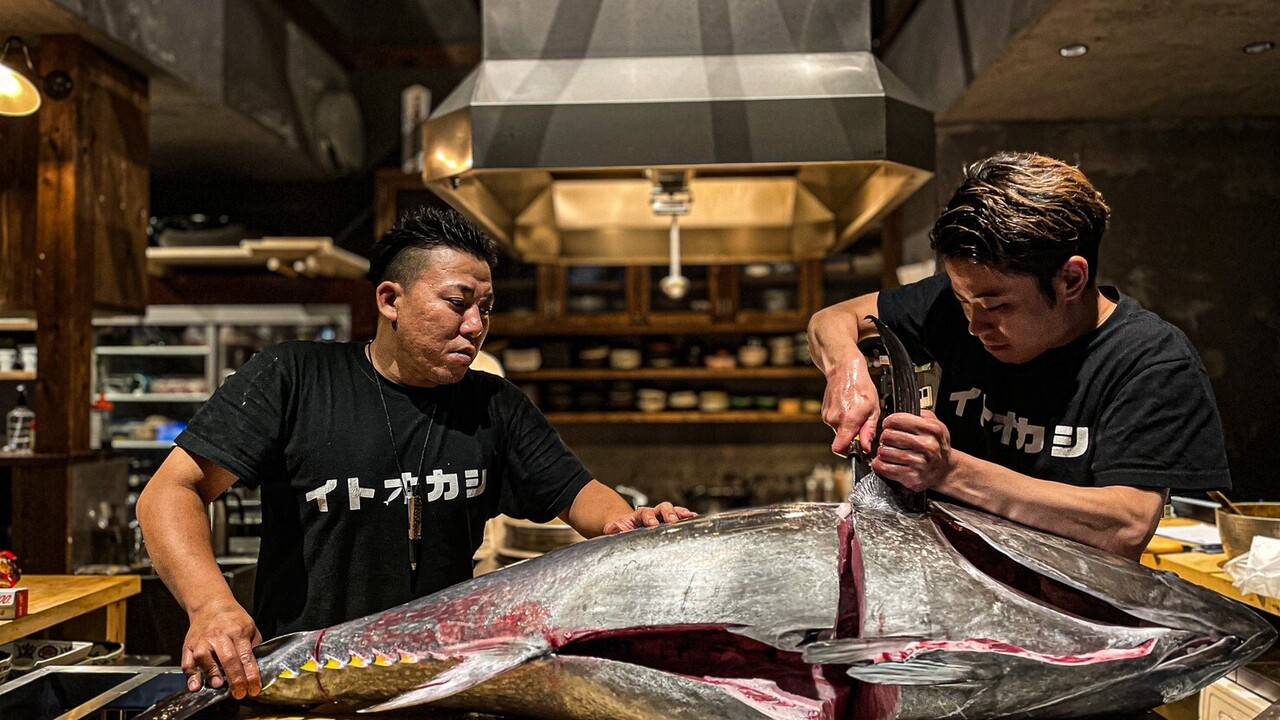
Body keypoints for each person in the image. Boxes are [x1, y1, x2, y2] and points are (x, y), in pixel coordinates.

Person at [137, 207, 695, 700]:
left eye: (485, 308)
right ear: (390, 300)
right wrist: (211, 606)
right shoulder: (295, 377)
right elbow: (170, 492)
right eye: (456, 303)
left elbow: (577, 495)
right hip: (304, 684)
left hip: (443, 683)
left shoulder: (493, 404)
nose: (475, 326)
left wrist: (630, 522)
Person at [808, 151, 1229, 560]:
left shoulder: (1151, 362)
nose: (974, 324)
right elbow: (832, 319)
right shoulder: (963, 303)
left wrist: (949, 471)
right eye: (962, 300)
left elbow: (1125, 526)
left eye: (997, 307)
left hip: (1069, 609)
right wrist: (846, 367)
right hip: (957, 587)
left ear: (1070, 279)